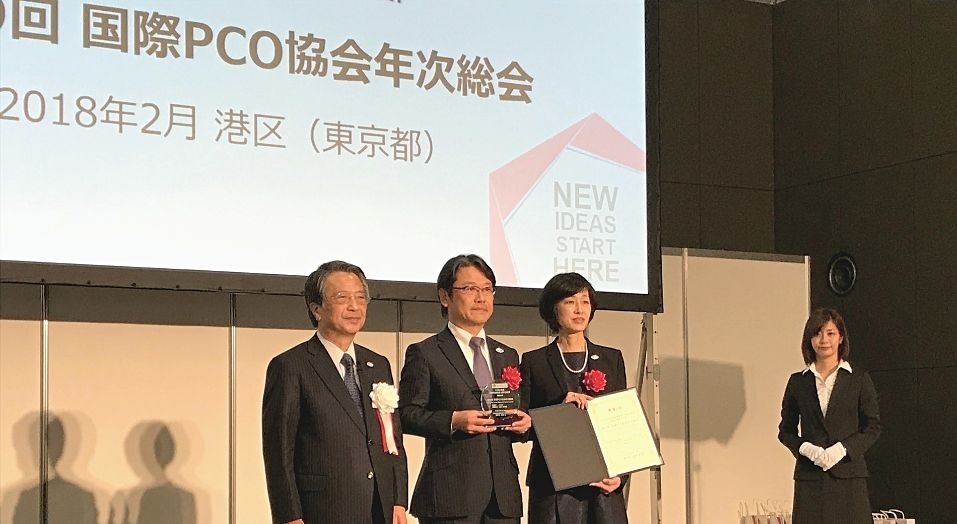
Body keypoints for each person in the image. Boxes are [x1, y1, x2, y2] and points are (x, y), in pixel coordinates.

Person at [262, 261, 408, 524]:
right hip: (322, 509)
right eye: (342, 297)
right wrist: (289, 516)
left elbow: (392, 439)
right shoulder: (291, 366)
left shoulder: (378, 364)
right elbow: (279, 451)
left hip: (380, 507)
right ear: (316, 308)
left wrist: (398, 500)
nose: (354, 306)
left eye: (361, 297)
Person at [398, 254, 532, 524]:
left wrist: (523, 423)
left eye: (487, 289)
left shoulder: (506, 354)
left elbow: (511, 411)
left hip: (502, 499)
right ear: (445, 297)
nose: (481, 298)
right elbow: (406, 414)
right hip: (449, 497)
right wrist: (453, 420)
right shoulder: (425, 352)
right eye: (470, 289)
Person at [519, 272, 629, 523]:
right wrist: (558, 411)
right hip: (553, 487)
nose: (579, 309)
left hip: (603, 486)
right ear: (552, 308)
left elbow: (622, 424)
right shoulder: (534, 361)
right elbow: (522, 429)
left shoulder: (612, 358)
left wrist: (621, 475)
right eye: (570, 301)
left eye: (585, 301)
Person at [777, 308, 881, 524]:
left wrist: (842, 449)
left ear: (841, 338)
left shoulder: (859, 379)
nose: (824, 340)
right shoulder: (797, 382)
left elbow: (872, 428)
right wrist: (806, 449)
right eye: (817, 333)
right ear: (809, 339)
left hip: (849, 477)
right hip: (810, 478)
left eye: (830, 333)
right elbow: (785, 431)